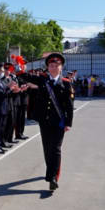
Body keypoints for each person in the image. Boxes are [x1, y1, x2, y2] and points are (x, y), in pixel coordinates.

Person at [20, 53, 74, 191]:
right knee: (47, 148)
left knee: (55, 149)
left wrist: (68, 123)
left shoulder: (66, 83)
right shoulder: (42, 80)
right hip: (44, 120)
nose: (54, 67)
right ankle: (51, 170)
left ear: (61, 67)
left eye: (57, 65)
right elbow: (27, 77)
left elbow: (69, 106)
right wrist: (19, 69)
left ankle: (53, 177)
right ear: (48, 67)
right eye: (51, 65)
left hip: (59, 122)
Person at [0, 63, 17, 153]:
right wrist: (10, 88)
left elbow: (4, 90)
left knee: (1, 128)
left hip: (2, 108)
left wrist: (10, 87)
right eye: (1, 70)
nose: (3, 72)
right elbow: (0, 94)